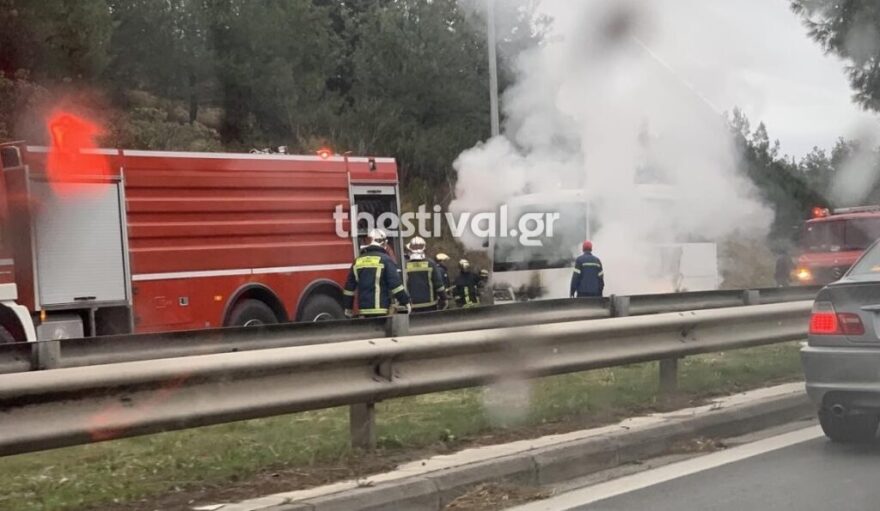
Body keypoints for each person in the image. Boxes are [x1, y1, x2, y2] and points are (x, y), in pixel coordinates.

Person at [344, 229, 411, 318]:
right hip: (381, 309)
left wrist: (348, 307)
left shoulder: (358, 261)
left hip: (363, 310)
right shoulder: (385, 260)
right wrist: (405, 301)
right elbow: (395, 285)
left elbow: (349, 288)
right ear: (383, 242)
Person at [404, 237, 447, 313]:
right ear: (424, 248)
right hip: (430, 305)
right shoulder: (431, 264)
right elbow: (438, 285)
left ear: (410, 249)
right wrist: (444, 298)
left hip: (412, 306)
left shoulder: (405, 265)